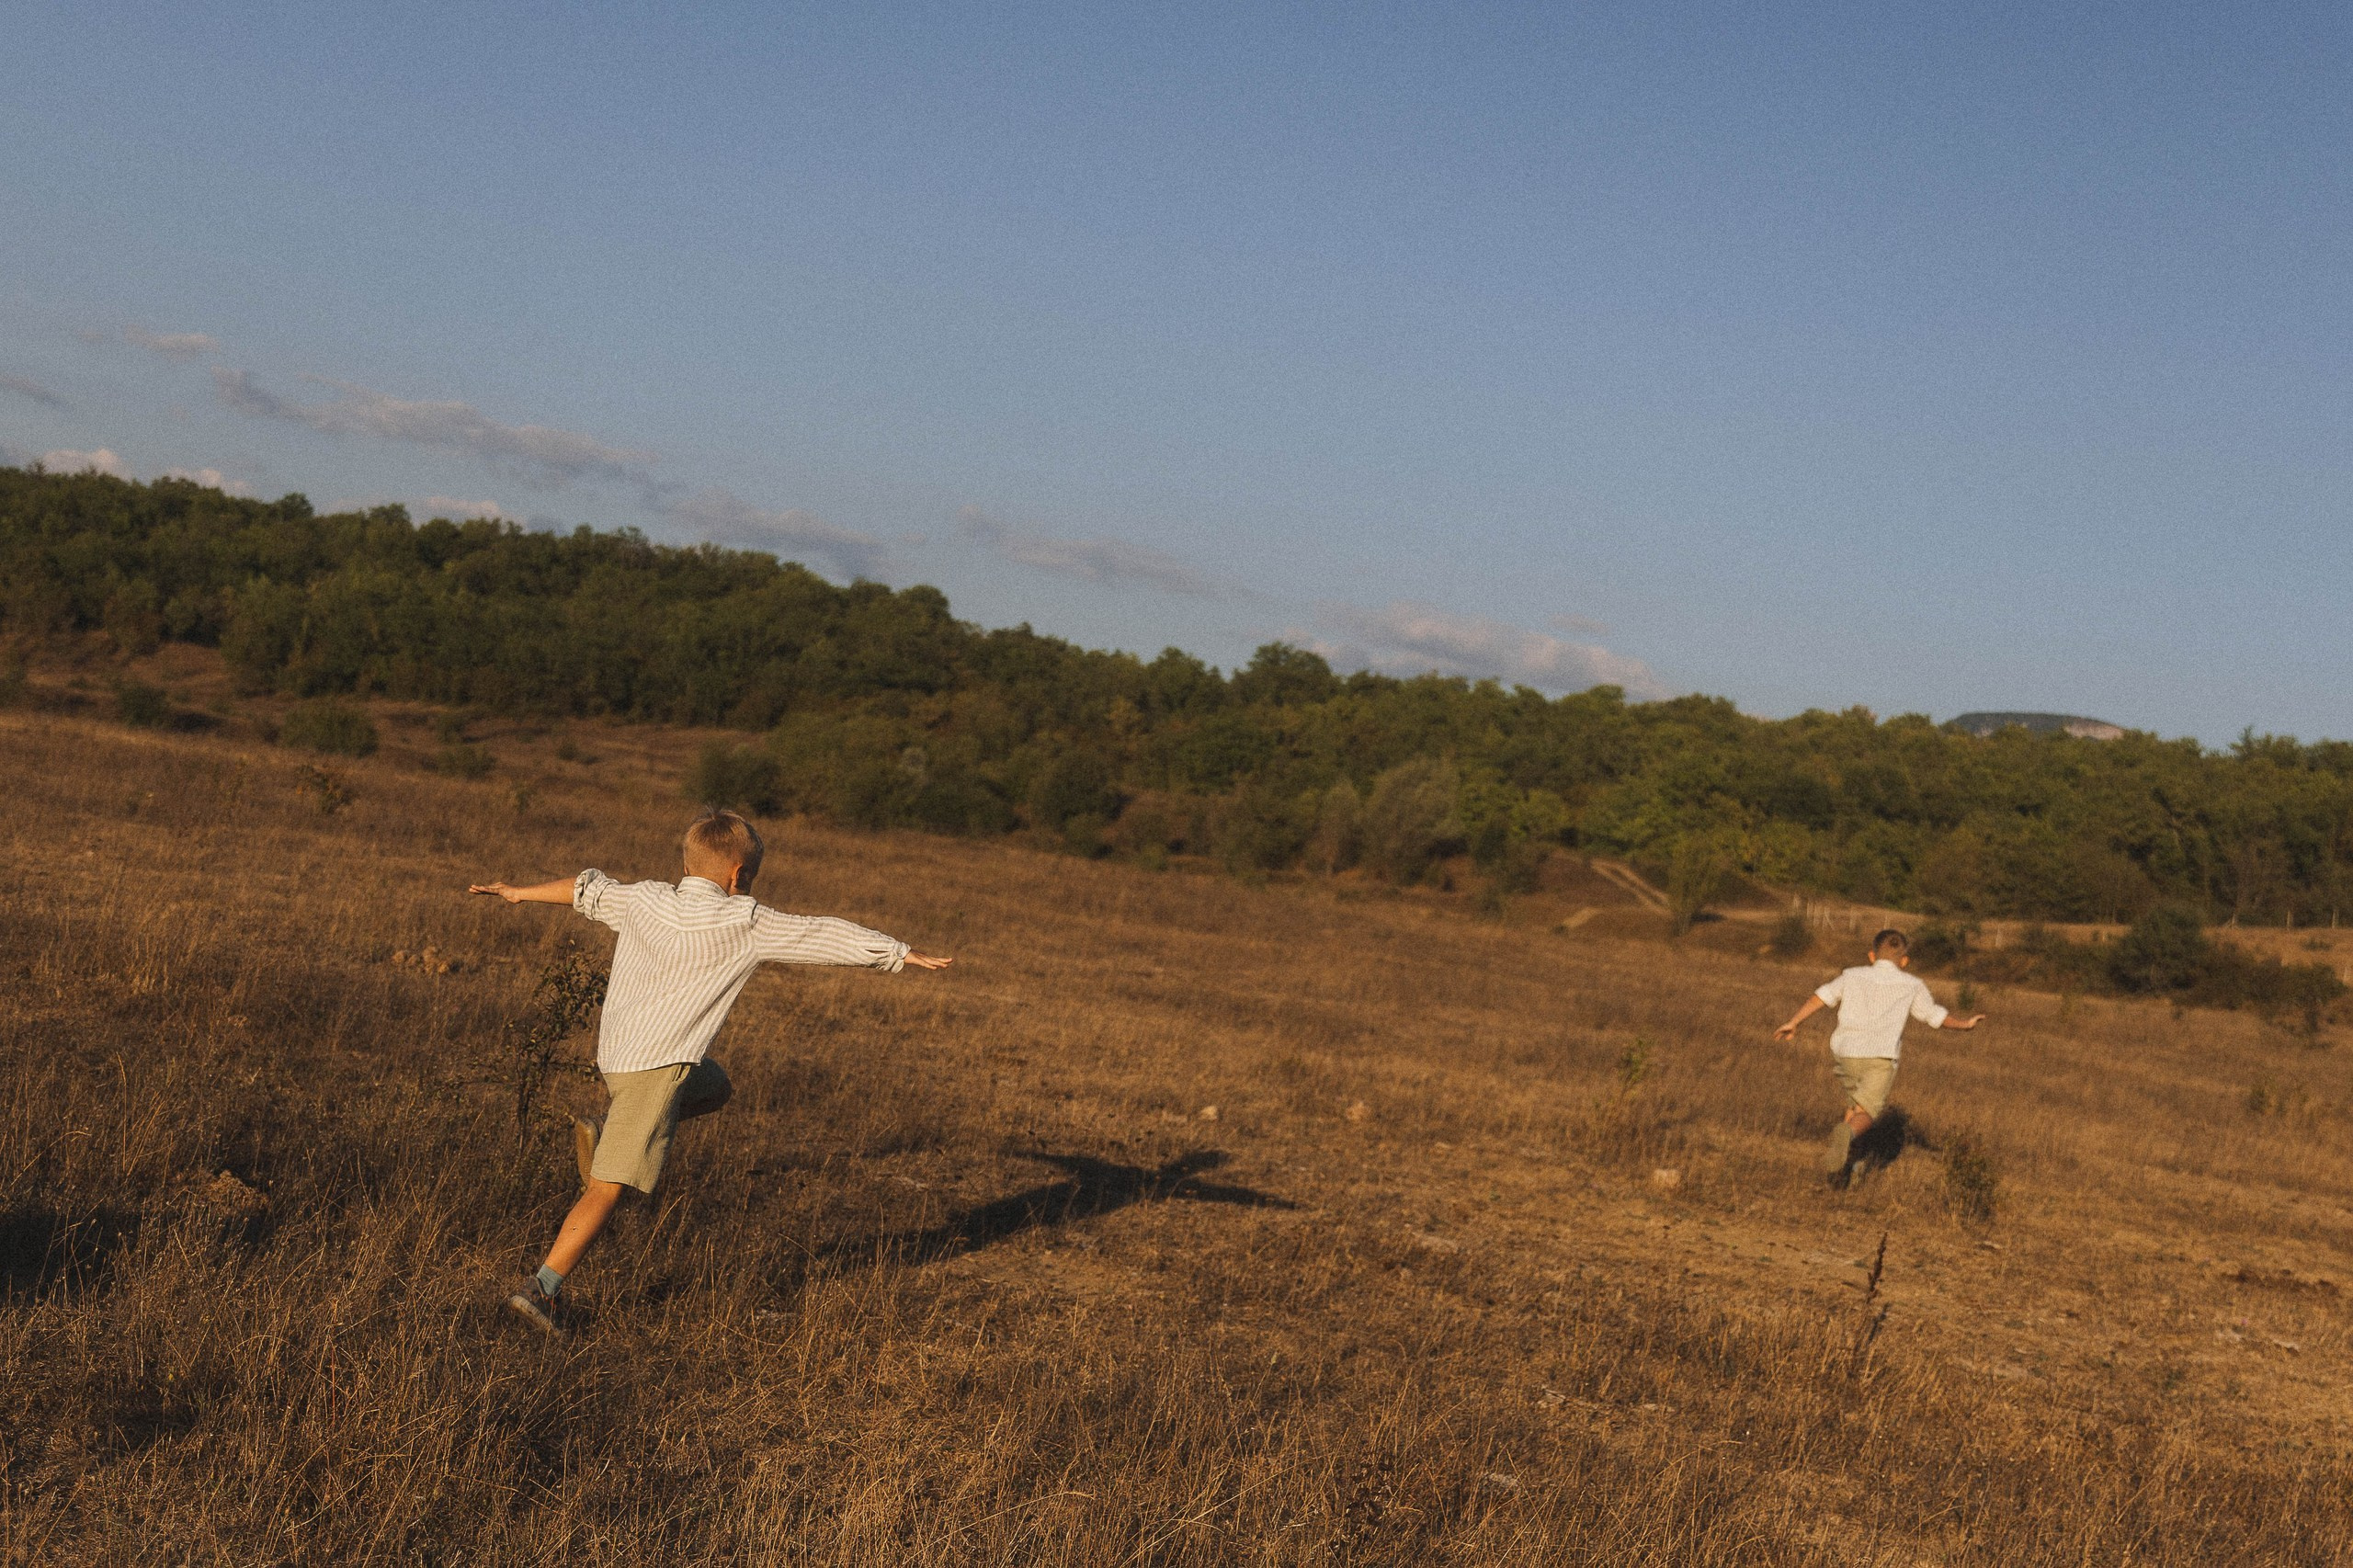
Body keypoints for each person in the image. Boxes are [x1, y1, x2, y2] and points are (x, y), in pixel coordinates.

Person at [469, 808, 951, 1334]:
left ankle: (610, 1134)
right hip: (656, 1069)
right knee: (607, 1187)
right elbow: (821, 933)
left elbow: (586, 888)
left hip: (620, 1058)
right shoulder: (743, 920)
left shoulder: (645, 898)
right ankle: (541, 1290)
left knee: (715, 1086)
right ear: (737, 875)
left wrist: (518, 892)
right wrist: (898, 953)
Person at [1773, 927, 1983, 1184]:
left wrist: (1794, 1022)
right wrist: (1965, 1024)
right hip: (1880, 1056)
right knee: (1868, 1113)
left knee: (1855, 1107)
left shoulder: (1851, 975)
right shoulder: (1912, 984)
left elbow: (1822, 997)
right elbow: (1935, 1017)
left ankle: (1848, 1168)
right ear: (1904, 961)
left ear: (1872, 956)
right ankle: (1846, 1136)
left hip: (1845, 1052)